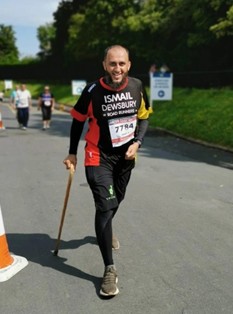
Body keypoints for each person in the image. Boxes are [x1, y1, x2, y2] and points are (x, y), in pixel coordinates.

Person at [63, 45, 150, 297]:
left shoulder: (136, 86)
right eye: (112, 63)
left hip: (125, 156)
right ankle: (109, 269)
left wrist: (137, 143)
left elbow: (144, 117)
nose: (117, 68)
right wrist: (72, 152)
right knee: (104, 204)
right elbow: (78, 120)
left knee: (114, 202)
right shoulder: (92, 91)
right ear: (104, 65)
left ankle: (106, 227)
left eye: (121, 64)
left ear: (129, 65)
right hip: (97, 155)